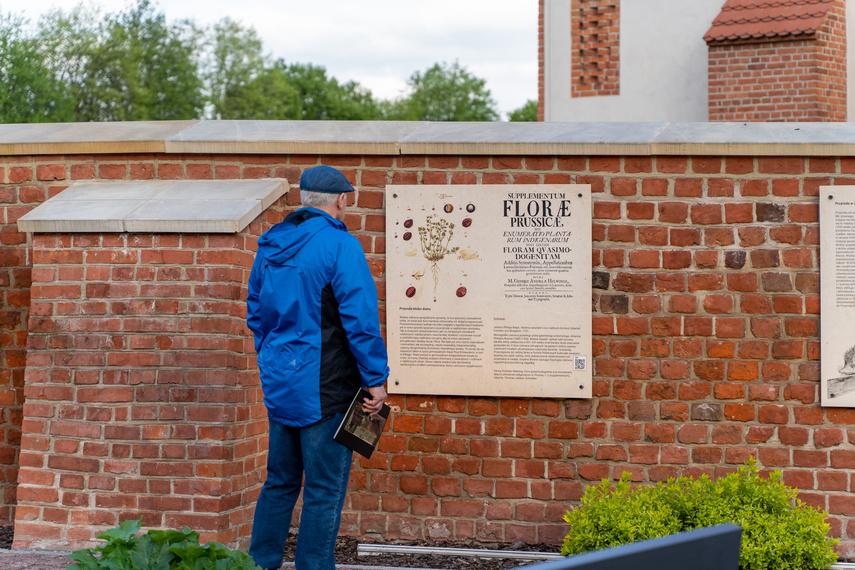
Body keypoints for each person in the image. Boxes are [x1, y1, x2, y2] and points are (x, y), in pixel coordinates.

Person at [246, 165, 389, 570]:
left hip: (282, 382)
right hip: (327, 387)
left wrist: (275, 359)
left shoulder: (270, 245)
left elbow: (256, 314)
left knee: (280, 481)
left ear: (304, 198)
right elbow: (360, 320)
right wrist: (375, 380)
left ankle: (260, 564)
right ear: (341, 200)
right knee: (324, 490)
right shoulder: (340, 246)